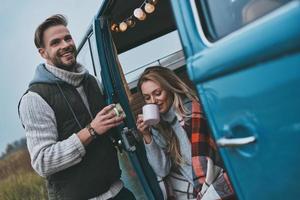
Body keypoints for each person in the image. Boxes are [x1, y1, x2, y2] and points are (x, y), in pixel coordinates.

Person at [18, 14, 135, 200]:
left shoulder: (92, 82)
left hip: (118, 191)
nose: (65, 45)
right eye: (55, 42)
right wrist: (91, 131)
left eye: (67, 38)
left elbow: (111, 130)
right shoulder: (34, 99)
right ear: (43, 53)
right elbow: (43, 162)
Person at [136, 66, 235, 200]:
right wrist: (147, 136)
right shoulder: (158, 127)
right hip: (199, 192)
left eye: (158, 93)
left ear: (170, 88)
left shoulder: (192, 113)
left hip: (219, 183)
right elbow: (162, 170)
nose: (153, 101)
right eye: (147, 97)